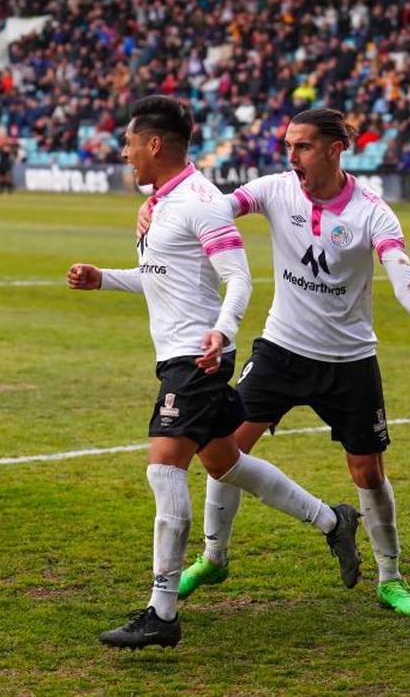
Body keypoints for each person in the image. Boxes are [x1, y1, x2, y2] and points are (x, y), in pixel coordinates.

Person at [138, 108, 410, 617]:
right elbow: (210, 209)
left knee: (367, 470)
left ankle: (390, 577)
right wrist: (156, 205)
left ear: (335, 149)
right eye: (288, 146)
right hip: (281, 349)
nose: (292, 157)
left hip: (348, 359)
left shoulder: (373, 212)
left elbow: (404, 277)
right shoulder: (274, 188)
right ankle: (214, 557)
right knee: (225, 452)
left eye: (303, 147)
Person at [68, 96, 362, 649]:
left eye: (130, 143)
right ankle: (332, 521)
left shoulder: (201, 202)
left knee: (163, 468)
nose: (125, 152)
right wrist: (102, 277)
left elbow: (239, 279)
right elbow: (160, 275)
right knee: (226, 464)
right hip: (185, 352)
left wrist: (223, 332)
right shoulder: (162, 200)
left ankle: (162, 611)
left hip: (195, 358)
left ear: (155, 144)